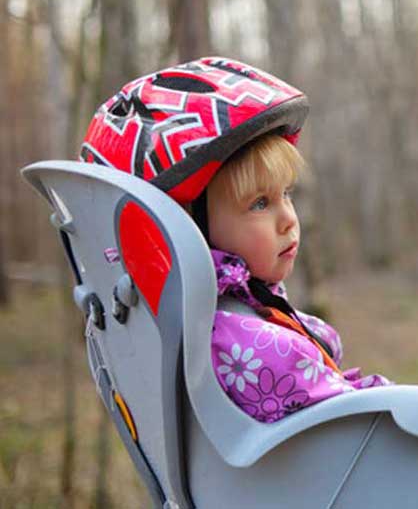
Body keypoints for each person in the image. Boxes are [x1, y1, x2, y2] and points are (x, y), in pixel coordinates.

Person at [81, 57, 389, 423]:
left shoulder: (212, 322)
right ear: (187, 224)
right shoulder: (253, 350)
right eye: (260, 203)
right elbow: (370, 430)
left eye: (286, 194)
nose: (289, 218)